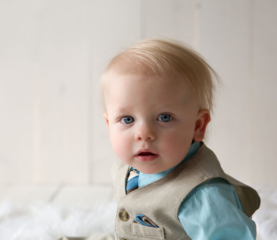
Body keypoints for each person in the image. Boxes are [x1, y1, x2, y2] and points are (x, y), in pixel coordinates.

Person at [101, 38, 261, 240]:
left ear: (197, 125)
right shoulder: (127, 171)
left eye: (164, 117)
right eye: (127, 119)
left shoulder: (202, 195)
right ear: (109, 126)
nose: (143, 133)